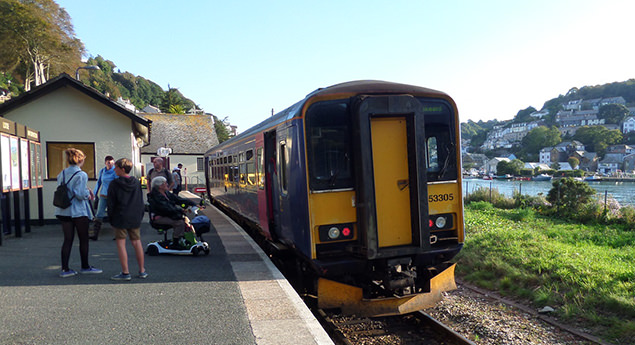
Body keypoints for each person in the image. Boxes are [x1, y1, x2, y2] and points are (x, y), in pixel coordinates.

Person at [54, 148, 102, 278]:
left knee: (67, 240)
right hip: (78, 211)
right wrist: (89, 193)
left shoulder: (62, 173)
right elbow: (80, 195)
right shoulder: (82, 175)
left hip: (63, 210)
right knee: (83, 239)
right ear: (81, 160)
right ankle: (85, 266)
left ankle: (65, 269)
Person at [107, 158, 147, 281]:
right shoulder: (136, 182)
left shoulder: (114, 184)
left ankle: (125, 272)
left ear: (122, 169)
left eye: (117, 167)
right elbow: (140, 201)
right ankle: (142, 270)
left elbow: (111, 203)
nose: (114, 169)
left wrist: (111, 218)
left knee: (121, 244)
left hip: (120, 216)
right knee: (136, 242)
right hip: (134, 216)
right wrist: (140, 215)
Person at [147, 176, 196, 246]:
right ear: (160, 186)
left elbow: (178, 199)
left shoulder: (166, 193)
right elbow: (166, 208)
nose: (167, 184)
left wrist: (192, 204)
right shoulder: (155, 196)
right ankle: (176, 242)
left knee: (185, 219)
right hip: (158, 217)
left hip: (166, 215)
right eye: (165, 183)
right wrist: (180, 210)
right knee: (179, 223)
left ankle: (182, 239)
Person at [90, 155, 116, 240]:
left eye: (112, 163)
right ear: (105, 163)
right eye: (108, 163)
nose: (110, 164)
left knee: (112, 214)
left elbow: (118, 184)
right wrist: (94, 193)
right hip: (103, 195)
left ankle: (117, 234)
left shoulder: (115, 171)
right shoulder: (102, 171)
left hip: (113, 196)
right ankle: (95, 234)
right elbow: (99, 183)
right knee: (99, 214)